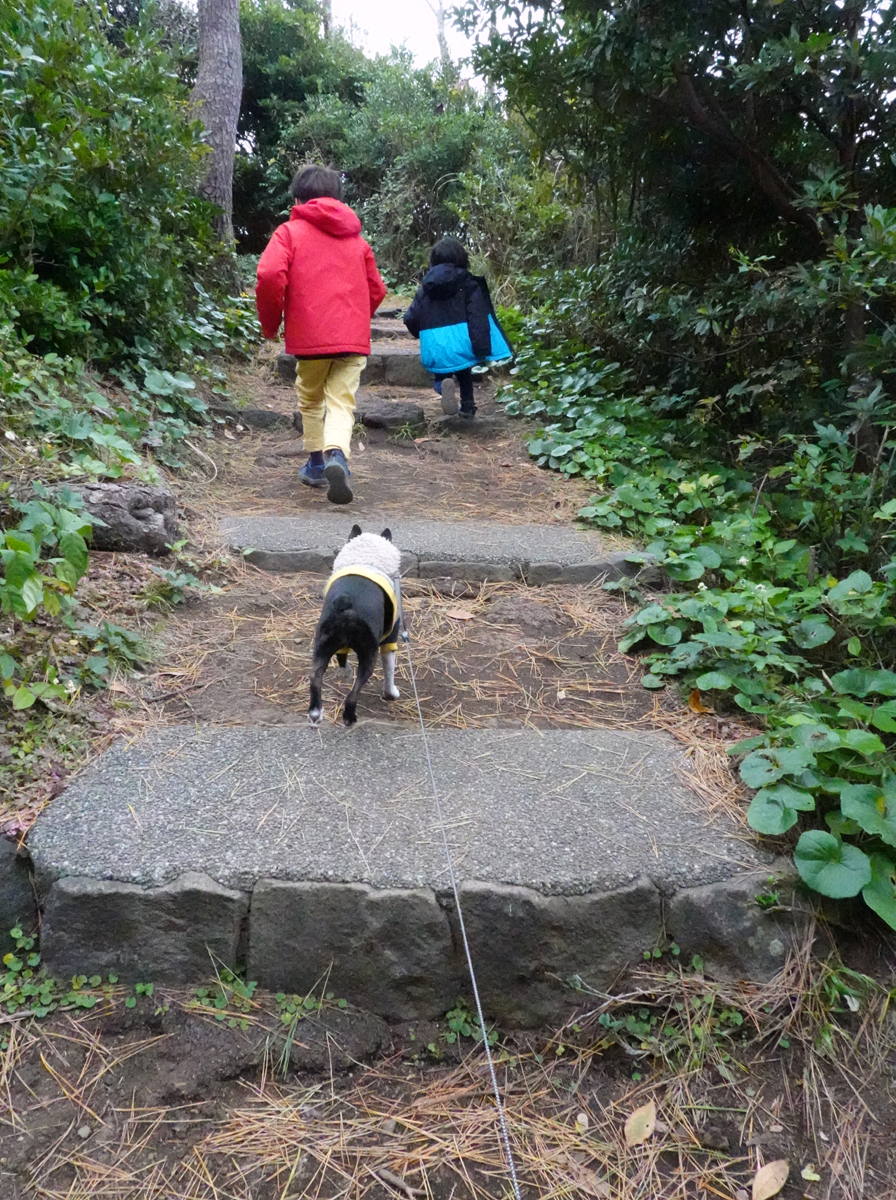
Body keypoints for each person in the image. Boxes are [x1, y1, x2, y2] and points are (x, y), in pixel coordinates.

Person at [255, 165, 386, 504]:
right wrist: (355, 321)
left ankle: (315, 465)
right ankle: (338, 456)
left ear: (297, 199)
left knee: (311, 399)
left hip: (310, 340)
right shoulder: (357, 240)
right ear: (338, 200)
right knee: (342, 401)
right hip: (351, 341)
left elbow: (269, 275)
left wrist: (271, 324)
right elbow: (377, 289)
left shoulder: (289, 233)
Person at [402, 237, 512, 419]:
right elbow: (477, 316)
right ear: (461, 258)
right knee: (464, 369)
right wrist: (481, 347)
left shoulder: (426, 287)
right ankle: (468, 405)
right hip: (463, 340)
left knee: (441, 369)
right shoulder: (469, 283)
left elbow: (410, 317)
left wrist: (422, 336)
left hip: (436, 342)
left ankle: (442, 384)